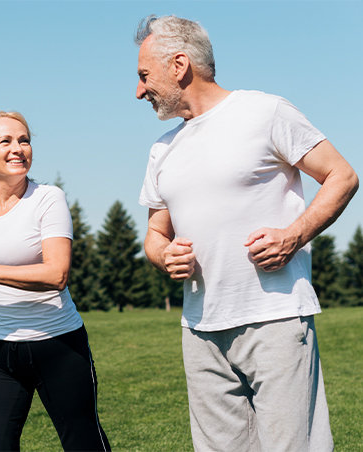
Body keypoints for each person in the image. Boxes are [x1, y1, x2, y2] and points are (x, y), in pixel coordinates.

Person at [135, 14, 358, 452]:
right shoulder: (162, 148)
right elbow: (154, 234)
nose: (139, 90)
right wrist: (163, 255)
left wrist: (293, 236)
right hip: (200, 329)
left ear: (179, 65)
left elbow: (341, 175)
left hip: (273, 319)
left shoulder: (265, 111)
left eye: (144, 76)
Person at [0, 111, 111, 452]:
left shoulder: (48, 199)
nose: (18, 148)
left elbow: (56, 275)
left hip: (57, 345)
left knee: (83, 443)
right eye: (6, 141)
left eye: (24, 140)